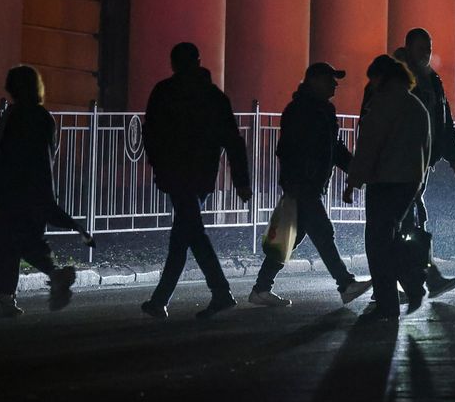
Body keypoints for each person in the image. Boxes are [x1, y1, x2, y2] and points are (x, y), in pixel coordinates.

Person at [140, 42, 252, 320]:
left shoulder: (164, 92)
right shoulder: (213, 96)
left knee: (191, 233)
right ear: (199, 61)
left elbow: (151, 135)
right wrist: (241, 181)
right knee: (185, 233)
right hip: (201, 174)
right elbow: (233, 142)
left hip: (175, 174)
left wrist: (158, 166)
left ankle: (221, 292)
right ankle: (160, 300)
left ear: (173, 63)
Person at [248, 62, 372, 308]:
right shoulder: (302, 110)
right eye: (330, 79)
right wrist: (298, 180)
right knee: (323, 232)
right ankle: (345, 284)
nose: (335, 84)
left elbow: (334, 149)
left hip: (309, 184)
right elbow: (289, 149)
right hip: (303, 185)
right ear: (314, 80)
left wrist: (356, 169)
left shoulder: (321, 110)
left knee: (291, 237)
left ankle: (261, 288)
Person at [0, 66, 76, 318]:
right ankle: (8, 297)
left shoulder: (14, 115)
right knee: (24, 242)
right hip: (37, 191)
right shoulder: (45, 117)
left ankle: (13, 295)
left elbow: (2, 151)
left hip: (11, 191)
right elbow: (49, 156)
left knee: (7, 244)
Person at [348, 56, 431, 319]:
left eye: (372, 79)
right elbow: (426, 148)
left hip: (384, 180)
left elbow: (370, 143)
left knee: (377, 243)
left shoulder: (382, 104)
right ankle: (411, 282)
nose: (370, 85)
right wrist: (418, 184)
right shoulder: (416, 105)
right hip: (409, 182)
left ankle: (388, 303)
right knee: (392, 237)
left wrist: (354, 180)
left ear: (382, 78)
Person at [395, 28, 455, 298]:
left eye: (429, 47)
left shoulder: (432, 80)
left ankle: (421, 279)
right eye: (421, 47)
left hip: (422, 163)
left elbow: (443, 120)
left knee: (410, 223)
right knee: (409, 222)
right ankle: (424, 278)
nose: (426, 53)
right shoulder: (398, 77)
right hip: (401, 163)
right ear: (408, 47)